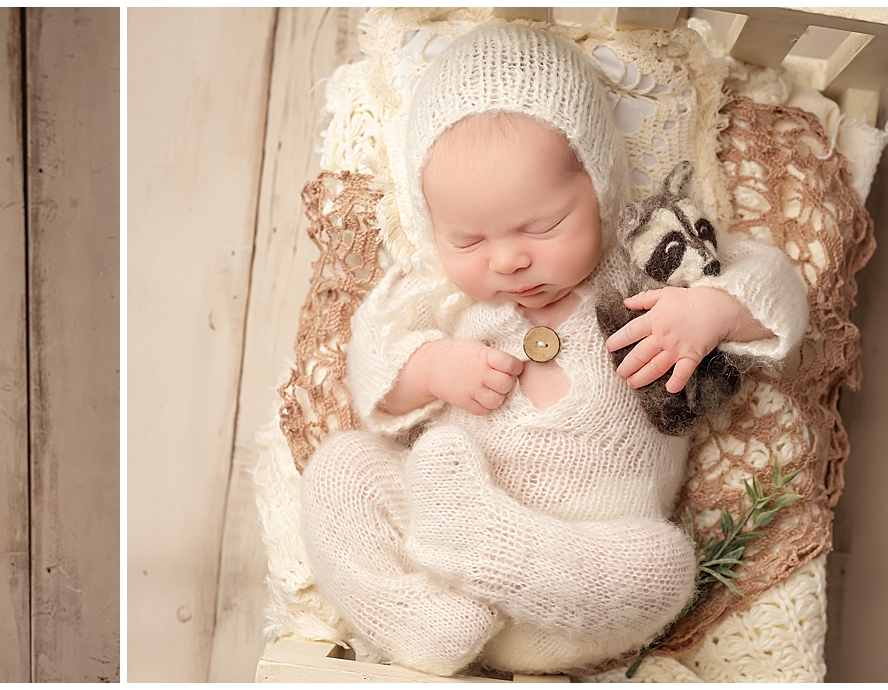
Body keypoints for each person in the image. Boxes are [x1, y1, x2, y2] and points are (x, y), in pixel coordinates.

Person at [300, 22, 807, 675]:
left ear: (601, 188)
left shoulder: (650, 260)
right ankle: (413, 622)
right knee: (340, 468)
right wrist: (429, 368)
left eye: (542, 226)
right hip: (450, 594)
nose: (509, 259)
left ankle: (491, 546)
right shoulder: (444, 303)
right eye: (469, 242)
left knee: (665, 568)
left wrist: (710, 311)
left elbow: (776, 287)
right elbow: (370, 370)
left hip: (580, 584)